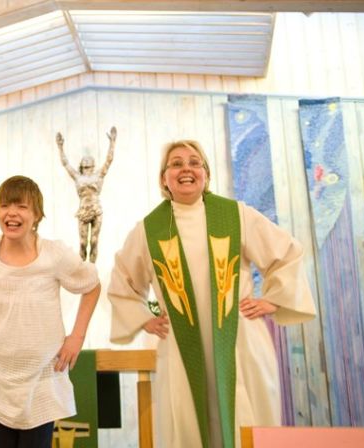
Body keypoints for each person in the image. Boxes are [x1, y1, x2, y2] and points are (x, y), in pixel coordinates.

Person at [108, 140, 316, 448]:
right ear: (164, 178)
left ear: (206, 174)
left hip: (239, 339)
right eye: (176, 164)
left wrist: (272, 299)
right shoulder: (149, 229)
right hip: (180, 346)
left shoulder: (236, 215)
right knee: (188, 424)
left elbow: (287, 253)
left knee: (244, 420)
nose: (186, 169)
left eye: (195, 162)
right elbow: (122, 281)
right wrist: (143, 319)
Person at [0, 175, 101, 448]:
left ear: (37, 215)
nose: (12, 213)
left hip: (42, 375)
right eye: (5, 206)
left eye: (22, 207)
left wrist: (76, 336)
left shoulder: (54, 254)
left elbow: (92, 286)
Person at [56, 126, 117, 262]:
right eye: (85, 161)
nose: (88, 161)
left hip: (96, 209)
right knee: (83, 243)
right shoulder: (78, 177)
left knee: (94, 241)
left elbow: (109, 160)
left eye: (90, 161)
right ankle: (83, 268)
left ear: (93, 165)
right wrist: (60, 147)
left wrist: (112, 142)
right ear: (82, 165)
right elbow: (65, 164)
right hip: (83, 209)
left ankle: (92, 268)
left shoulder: (99, 175)